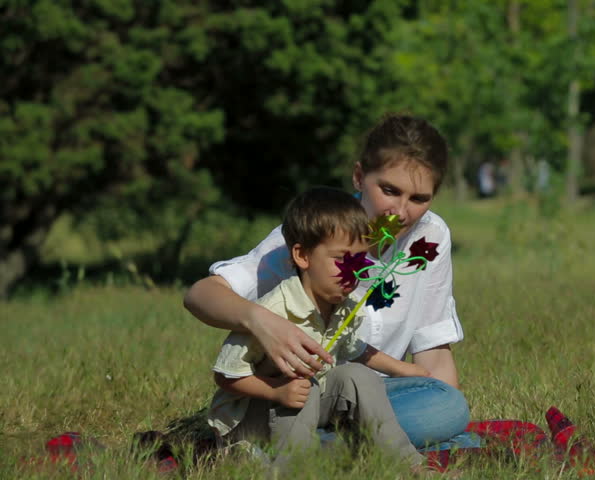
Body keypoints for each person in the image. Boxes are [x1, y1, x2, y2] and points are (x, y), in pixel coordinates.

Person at [185, 113, 473, 450]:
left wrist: (442, 411)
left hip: (375, 395)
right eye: (390, 190)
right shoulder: (317, 232)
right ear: (359, 176)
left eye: (419, 199)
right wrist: (262, 322)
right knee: (426, 420)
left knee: (448, 407)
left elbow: (433, 349)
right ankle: (361, 447)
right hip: (300, 397)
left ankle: (313, 449)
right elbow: (200, 295)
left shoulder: (431, 237)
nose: (401, 212)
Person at [208, 187, 425, 473]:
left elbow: (354, 349)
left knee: (357, 375)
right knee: (305, 386)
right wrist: (276, 391)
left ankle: (409, 466)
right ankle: (294, 469)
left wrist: (401, 368)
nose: (353, 272)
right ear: (302, 255)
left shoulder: (345, 305)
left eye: (359, 260)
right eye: (341, 260)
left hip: (301, 406)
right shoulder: (274, 310)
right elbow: (225, 375)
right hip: (250, 416)